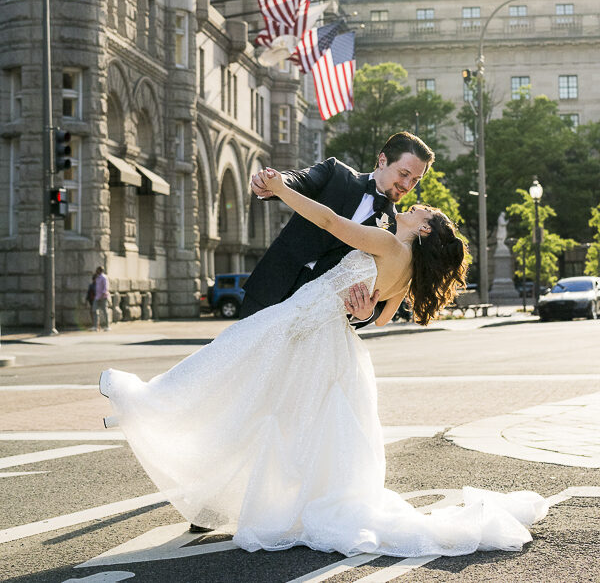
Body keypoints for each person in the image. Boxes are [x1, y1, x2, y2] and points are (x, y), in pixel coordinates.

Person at [99, 169, 548, 558]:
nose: (416, 204)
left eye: (423, 209)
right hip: (326, 337)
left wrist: (280, 189)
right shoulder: (407, 267)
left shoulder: (391, 245)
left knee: (226, 366)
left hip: (303, 325)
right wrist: (361, 306)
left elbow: (330, 222)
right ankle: (270, 497)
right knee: (277, 409)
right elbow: (383, 313)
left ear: (425, 230)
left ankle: (145, 402)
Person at [240, 131, 435, 328]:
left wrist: (366, 314)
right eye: (404, 174)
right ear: (383, 160)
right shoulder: (336, 172)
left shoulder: (396, 229)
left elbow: (382, 299)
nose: (406, 185)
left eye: (415, 180)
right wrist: (275, 183)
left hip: (318, 319)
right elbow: (299, 179)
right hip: (269, 288)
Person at [92, 266, 110, 332]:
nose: (96, 271)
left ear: (100, 270)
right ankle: (96, 326)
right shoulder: (97, 278)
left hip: (103, 297)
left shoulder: (104, 277)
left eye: (97, 270)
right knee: (94, 310)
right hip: (97, 297)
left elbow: (105, 288)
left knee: (105, 312)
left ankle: (107, 326)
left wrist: (102, 295)